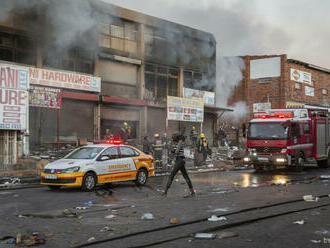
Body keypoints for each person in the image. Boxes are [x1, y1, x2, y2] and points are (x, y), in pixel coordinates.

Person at [163, 132, 195, 197]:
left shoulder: (180, 142)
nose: (172, 138)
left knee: (172, 175)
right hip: (179, 160)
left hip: (180, 160)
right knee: (186, 176)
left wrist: (172, 150)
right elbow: (175, 150)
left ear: (176, 137)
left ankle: (165, 192)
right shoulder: (177, 142)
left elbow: (177, 151)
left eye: (173, 136)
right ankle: (192, 191)